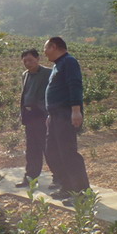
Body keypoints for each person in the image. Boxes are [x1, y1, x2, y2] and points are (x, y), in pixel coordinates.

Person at [43, 36, 90, 201]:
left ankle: (82, 192)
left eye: (46, 48)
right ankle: (67, 187)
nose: (44, 53)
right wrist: (50, 114)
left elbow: (74, 85)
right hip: (55, 116)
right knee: (52, 152)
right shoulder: (58, 65)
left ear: (54, 47)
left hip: (65, 114)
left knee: (68, 153)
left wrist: (76, 110)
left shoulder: (69, 62)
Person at [15, 48, 58, 188]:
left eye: (30, 60)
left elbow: (52, 94)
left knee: (48, 148)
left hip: (43, 116)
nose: (28, 63)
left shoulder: (48, 73)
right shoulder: (25, 75)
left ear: (38, 59)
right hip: (30, 117)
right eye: (25, 61)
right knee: (32, 149)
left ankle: (58, 178)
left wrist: (40, 107)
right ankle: (30, 178)